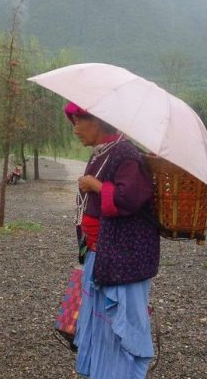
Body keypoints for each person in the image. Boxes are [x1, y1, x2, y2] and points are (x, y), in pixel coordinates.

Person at [65, 102, 160, 378]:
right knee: (100, 323)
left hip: (124, 259)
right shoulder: (103, 153)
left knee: (119, 326)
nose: (75, 129)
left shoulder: (126, 154)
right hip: (102, 253)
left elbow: (129, 198)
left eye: (78, 122)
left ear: (95, 120)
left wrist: (95, 186)